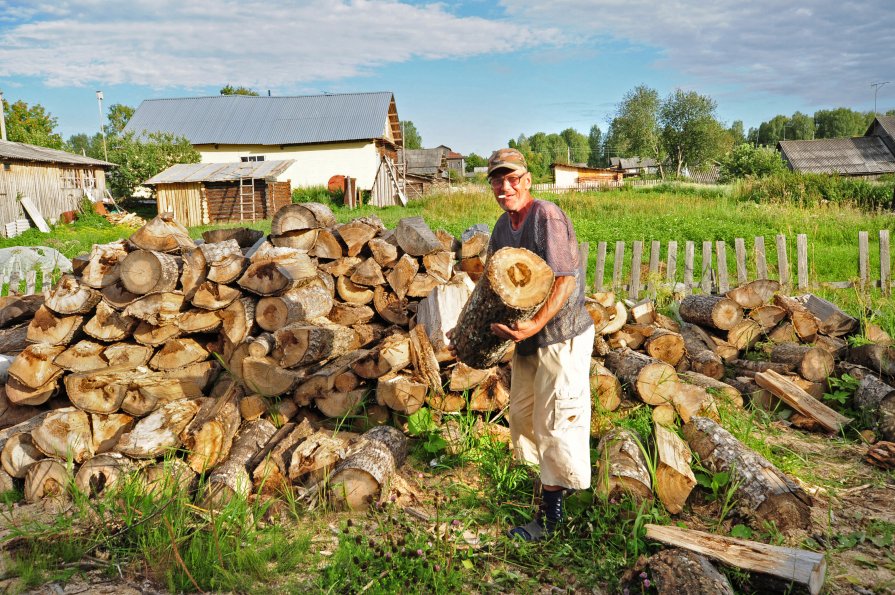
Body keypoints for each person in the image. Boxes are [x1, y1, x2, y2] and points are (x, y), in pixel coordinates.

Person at [482, 148, 595, 541]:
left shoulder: (546, 215)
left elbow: (564, 279)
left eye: (512, 178)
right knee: (525, 418)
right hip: (527, 339)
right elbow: (492, 284)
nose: (505, 186)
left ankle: (552, 519)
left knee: (557, 421)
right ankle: (548, 487)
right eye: (497, 179)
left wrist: (534, 325)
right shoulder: (501, 226)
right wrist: (467, 332)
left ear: (527, 180)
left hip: (560, 336)